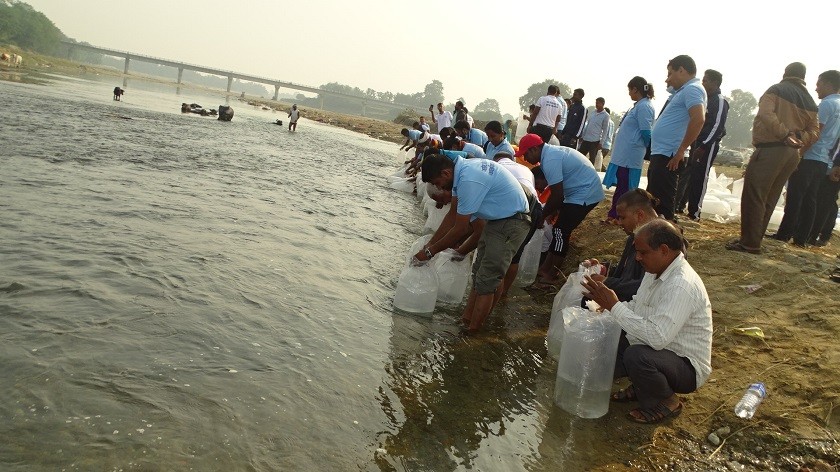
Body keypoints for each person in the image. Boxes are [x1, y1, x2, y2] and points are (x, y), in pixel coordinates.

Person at [582, 219, 712, 424]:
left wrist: (615, 306)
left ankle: (668, 400)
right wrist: (606, 309)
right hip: (662, 351)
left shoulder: (681, 284)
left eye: (643, 252)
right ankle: (643, 386)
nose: (638, 257)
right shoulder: (655, 271)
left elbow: (657, 338)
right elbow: (637, 305)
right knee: (614, 334)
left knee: (637, 355)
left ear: (663, 250)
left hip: (685, 365)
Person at [414, 154, 531, 333]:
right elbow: (451, 217)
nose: (439, 187)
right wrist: (429, 246)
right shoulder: (461, 174)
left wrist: (430, 253)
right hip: (497, 220)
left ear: (445, 173)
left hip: (512, 222)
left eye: (437, 183)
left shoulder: (469, 179)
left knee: (488, 278)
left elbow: (460, 228)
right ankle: (467, 320)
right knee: (479, 274)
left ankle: (473, 332)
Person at [726, 62, 820, 254]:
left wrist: (785, 135)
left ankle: (749, 243)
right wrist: (800, 138)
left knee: (755, 196)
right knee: (770, 198)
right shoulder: (810, 101)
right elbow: (815, 131)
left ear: (785, 73)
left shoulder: (776, 90)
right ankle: (754, 238)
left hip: (772, 148)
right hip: (792, 155)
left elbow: (765, 114)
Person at [516, 134, 604, 286]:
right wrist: (553, 211)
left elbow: (557, 194)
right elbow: (558, 192)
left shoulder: (550, 159)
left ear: (535, 149)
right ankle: (545, 268)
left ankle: (552, 273)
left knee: (560, 232)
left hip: (584, 193)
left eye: (526, 153)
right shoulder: (551, 155)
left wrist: (542, 216)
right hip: (577, 192)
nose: (525, 157)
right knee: (558, 230)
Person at [771, 70, 840, 247]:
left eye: (819, 84)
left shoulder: (826, 105)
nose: (816, 88)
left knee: (795, 196)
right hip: (824, 159)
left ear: (828, 84)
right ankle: (802, 237)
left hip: (811, 155)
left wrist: (799, 154)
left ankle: (784, 233)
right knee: (810, 199)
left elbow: (816, 133)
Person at [647, 55, 707, 221]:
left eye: (671, 73)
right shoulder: (684, 90)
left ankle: (665, 238)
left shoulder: (692, 89)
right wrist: (671, 82)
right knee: (655, 200)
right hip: (664, 152)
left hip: (670, 154)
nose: (668, 78)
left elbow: (699, 118)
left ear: (682, 70)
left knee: (663, 203)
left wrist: (680, 150)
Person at [584, 189, 659, 302]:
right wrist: (603, 268)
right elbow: (626, 270)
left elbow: (648, 286)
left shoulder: (660, 240)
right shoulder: (634, 236)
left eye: (622, 217)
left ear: (640, 215)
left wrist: (607, 282)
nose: (618, 222)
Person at [675, 69, 730, 221]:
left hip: (707, 144)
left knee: (699, 177)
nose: (703, 83)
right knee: (687, 175)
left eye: (705, 81)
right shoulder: (705, 99)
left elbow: (716, 126)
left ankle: (694, 213)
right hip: (695, 142)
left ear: (714, 83)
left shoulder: (719, 101)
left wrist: (704, 145)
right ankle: (680, 206)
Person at [603, 76, 656, 223]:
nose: (629, 93)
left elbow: (646, 132)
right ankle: (614, 214)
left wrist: (645, 147)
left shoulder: (645, 106)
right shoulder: (639, 105)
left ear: (635, 89)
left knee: (626, 189)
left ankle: (620, 217)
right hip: (624, 155)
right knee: (621, 186)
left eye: (630, 90)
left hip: (630, 155)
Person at [809, 142, 840, 246]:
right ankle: (821, 235)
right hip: (827, 163)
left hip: (831, 165)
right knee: (829, 201)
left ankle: (814, 235)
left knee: (826, 201)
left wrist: (837, 165)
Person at [578, 97, 611, 170]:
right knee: (580, 156)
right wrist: (582, 136)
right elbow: (588, 125)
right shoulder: (593, 112)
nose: (596, 105)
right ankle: (579, 170)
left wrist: (601, 142)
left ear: (602, 104)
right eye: (596, 103)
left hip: (594, 141)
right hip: (586, 139)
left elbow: (605, 130)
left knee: (592, 159)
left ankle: (589, 172)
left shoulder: (605, 115)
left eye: (598, 103)